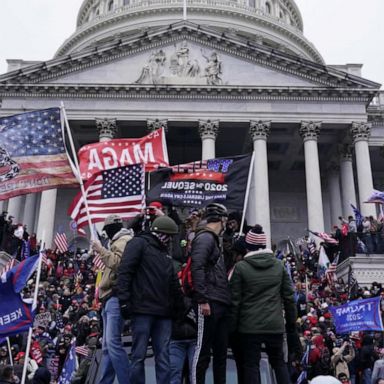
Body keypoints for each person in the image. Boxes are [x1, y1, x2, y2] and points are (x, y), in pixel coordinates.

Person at [117, 215, 184, 384]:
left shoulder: (164, 253)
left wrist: (180, 308)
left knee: (163, 358)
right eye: (168, 236)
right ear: (160, 233)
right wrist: (124, 301)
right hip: (142, 311)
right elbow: (125, 272)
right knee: (139, 356)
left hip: (163, 313)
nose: (169, 240)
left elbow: (173, 282)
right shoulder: (138, 244)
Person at [229, 225, 297, 384]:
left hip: (249, 326)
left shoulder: (240, 267)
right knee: (279, 364)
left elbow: (235, 302)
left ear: (248, 246)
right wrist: (291, 325)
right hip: (275, 326)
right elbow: (289, 298)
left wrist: (231, 328)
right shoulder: (279, 266)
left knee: (251, 365)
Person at [190, 203, 231, 384]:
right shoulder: (205, 238)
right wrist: (202, 299)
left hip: (221, 300)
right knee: (202, 351)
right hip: (208, 301)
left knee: (221, 353)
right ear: (221, 220)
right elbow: (196, 267)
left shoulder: (215, 240)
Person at [91, 214, 133, 384]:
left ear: (110, 229)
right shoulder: (118, 241)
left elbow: (118, 263)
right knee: (108, 347)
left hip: (115, 297)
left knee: (114, 345)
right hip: (108, 298)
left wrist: (100, 249)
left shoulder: (123, 241)